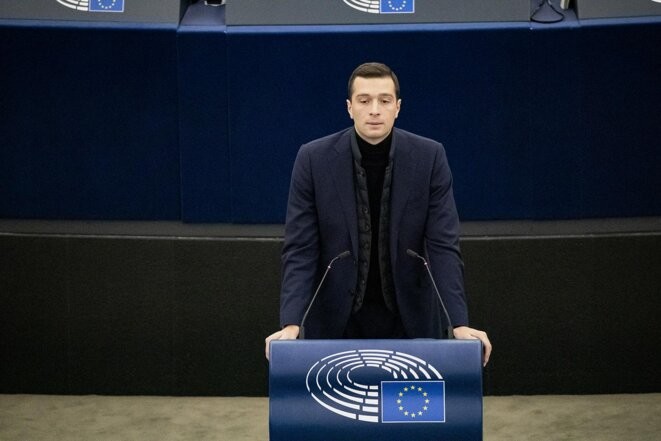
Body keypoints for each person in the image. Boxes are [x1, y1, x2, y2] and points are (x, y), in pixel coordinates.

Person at [265, 62, 491, 365]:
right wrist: (291, 324)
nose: (374, 110)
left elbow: (443, 247)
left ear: (397, 107)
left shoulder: (430, 157)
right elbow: (300, 249)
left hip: (411, 318)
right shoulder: (312, 159)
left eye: (384, 101)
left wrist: (459, 323)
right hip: (334, 320)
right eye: (364, 100)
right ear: (349, 107)